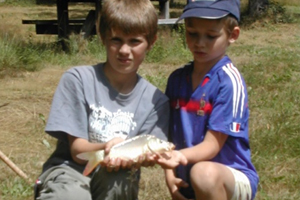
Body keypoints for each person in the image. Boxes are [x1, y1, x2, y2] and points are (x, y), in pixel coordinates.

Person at [34, 0, 169, 199]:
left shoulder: (156, 102)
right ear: (102, 36)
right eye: (116, 40)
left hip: (115, 175)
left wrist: (145, 159)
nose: (124, 50)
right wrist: (107, 148)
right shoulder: (78, 80)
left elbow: (149, 154)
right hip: (70, 171)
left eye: (134, 41)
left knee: (119, 179)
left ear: (152, 42)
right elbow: (77, 152)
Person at [156, 0, 259, 200]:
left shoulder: (228, 82)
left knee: (203, 173)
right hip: (188, 176)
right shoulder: (176, 80)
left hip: (229, 176)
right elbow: (169, 139)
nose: (199, 43)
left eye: (211, 36)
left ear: (233, 35)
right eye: (192, 33)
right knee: (199, 173)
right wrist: (170, 175)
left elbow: (212, 145)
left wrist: (179, 157)